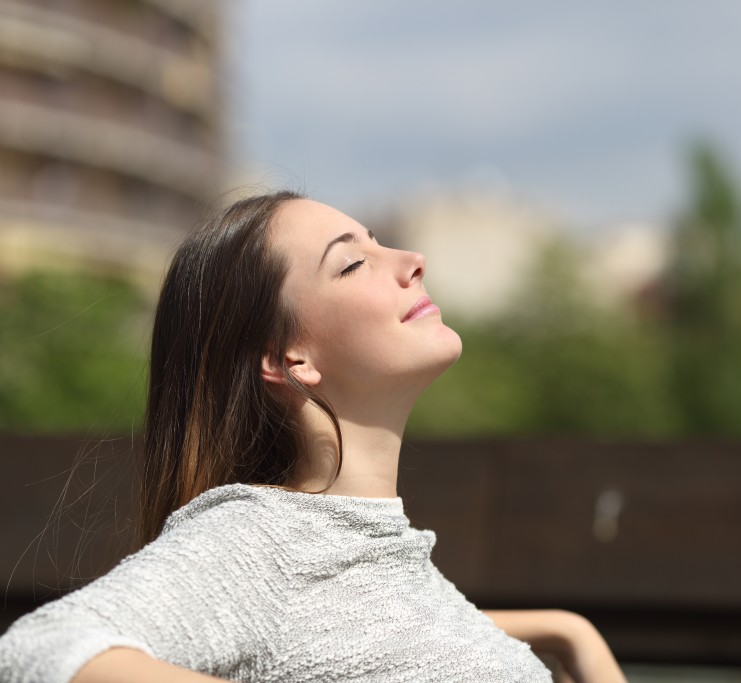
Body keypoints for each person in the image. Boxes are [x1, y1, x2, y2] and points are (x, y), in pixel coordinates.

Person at [0, 191, 627, 683]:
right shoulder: (262, 540)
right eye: (354, 262)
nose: (412, 262)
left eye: (378, 244)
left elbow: (354, 633)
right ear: (290, 359)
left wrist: (568, 631)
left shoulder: (374, 557)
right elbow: (38, 652)